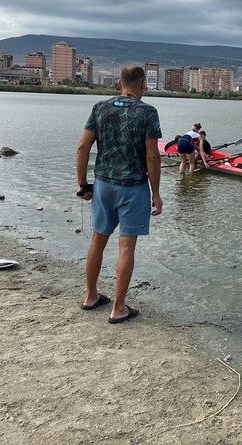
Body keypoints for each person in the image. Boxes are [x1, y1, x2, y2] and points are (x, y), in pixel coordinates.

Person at [76, 65, 163, 324]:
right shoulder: (148, 112)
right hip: (133, 187)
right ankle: (118, 308)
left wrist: (83, 183)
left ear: (119, 84)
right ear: (144, 85)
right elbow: (152, 155)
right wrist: (156, 194)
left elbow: (82, 146)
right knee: (126, 247)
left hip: (103, 185)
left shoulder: (100, 108)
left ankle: (91, 296)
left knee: (97, 241)